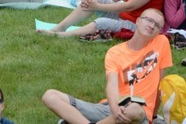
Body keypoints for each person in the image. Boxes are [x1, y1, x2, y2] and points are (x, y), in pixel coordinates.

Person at [42, 8, 172, 124]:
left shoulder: (161, 43)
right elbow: (112, 84)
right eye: (148, 20)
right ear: (138, 21)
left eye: (157, 25)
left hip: (138, 112)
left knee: (134, 109)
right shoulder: (115, 52)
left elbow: (160, 84)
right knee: (50, 96)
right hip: (109, 108)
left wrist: (154, 116)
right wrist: (115, 109)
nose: (152, 26)